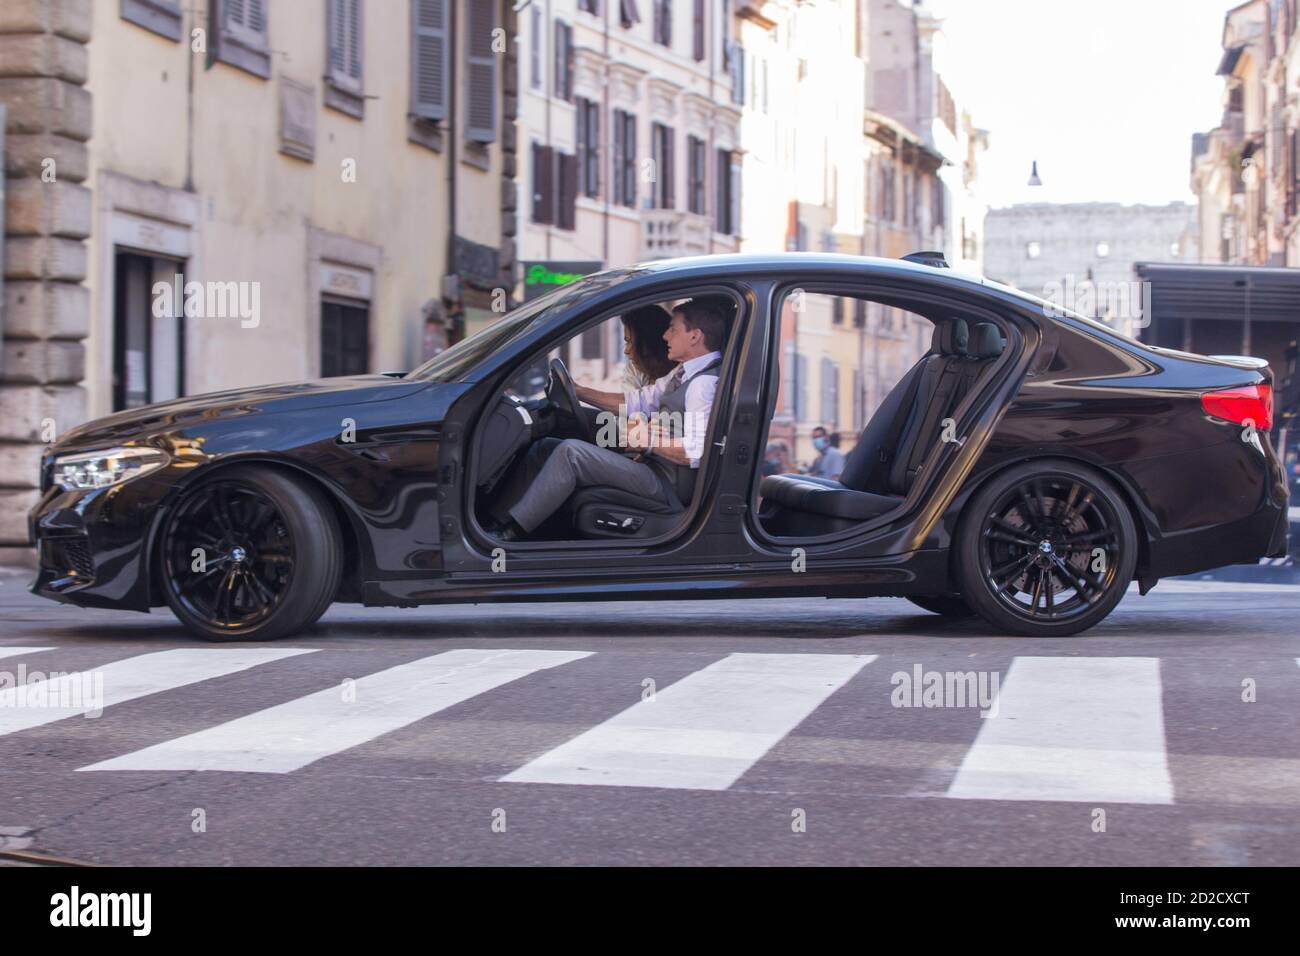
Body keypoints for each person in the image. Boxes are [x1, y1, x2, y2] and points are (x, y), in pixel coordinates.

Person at [492, 299, 729, 541]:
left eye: (673, 329)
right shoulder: (682, 372)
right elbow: (638, 400)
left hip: (667, 483)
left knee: (570, 453)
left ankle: (510, 535)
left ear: (695, 336)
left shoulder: (703, 384)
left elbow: (696, 452)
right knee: (547, 446)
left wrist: (647, 441)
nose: (666, 336)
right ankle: (496, 520)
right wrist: (579, 391)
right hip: (655, 468)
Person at [620, 305, 675, 390]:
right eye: (627, 342)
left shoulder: (681, 374)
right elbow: (626, 401)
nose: (626, 351)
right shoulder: (634, 369)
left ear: (649, 345)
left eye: (631, 342)